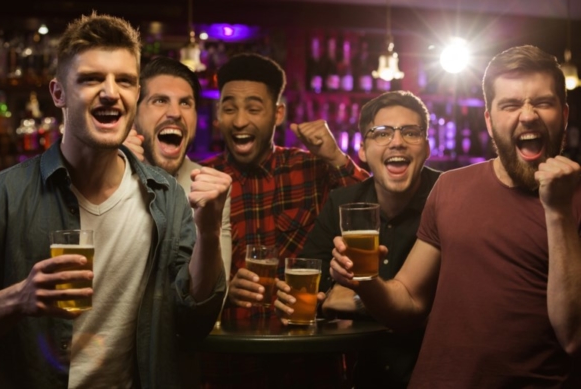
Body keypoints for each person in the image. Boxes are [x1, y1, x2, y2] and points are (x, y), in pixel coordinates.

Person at [0, 12, 229, 389]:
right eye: (91, 79)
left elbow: (191, 323)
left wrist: (208, 233)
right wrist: (17, 299)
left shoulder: (166, 197)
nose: (111, 92)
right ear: (58, 93)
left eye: (126, 81)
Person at [330, 45, 581, 387]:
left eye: (542, 102)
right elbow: (408, 302)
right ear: (490, 121)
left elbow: (573, 336)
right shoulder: (450, 187)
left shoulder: (574, 203)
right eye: (510, 104)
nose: (527, 116)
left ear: (564, 116)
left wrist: (559, 212)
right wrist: (364, 278)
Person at [275, 91, 441, 389]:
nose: (397, 141)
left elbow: (449, 304)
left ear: (427, 148)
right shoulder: (343, 201)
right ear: (362, 149)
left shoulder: (447, 198)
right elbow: (307, 282)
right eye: (381, 133)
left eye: (411, 132)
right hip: (363, 377)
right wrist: (308, 297)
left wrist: (354, 298)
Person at [201, 52, 369, 319]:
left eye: (254, 109)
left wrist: (336, 157)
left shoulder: (309, 168)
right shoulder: (202, 179)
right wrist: (222, 294)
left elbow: (371, 213)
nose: (240, 121)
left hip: (306, 350)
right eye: (229, 108)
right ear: (218, 113)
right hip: (228, 353)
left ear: (278, 114)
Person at [124, 55, 232, 283]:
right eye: (160, 101)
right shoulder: (108, 174)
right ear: (133, 116)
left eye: (185, 103)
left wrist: (208, 231)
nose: (175, 113)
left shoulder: (208, 189)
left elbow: (213, 300)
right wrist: (118, 174)